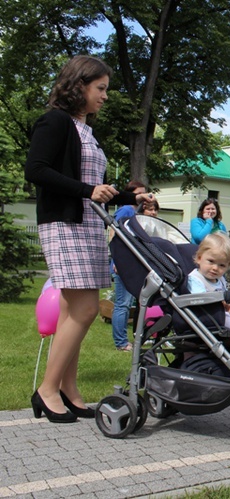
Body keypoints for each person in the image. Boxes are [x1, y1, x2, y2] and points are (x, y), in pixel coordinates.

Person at [25, 55, 154, 423]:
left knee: (71, 311)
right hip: (65, 225)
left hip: (86, 223)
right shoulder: (55, 121)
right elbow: (36, 169)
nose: (105, 96)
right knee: (84, 310)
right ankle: (47, 390)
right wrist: (87, 190)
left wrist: (132, 198)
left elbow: (96, 189)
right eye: (100, 89)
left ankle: (67, 388)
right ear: (78, 86)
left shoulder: (84, 129)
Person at [111, 181, 147, 352]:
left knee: (129, 302)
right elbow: (114, 233)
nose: (142, 196)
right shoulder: (126, 210)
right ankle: (121, 342)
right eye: (139, 193)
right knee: (123, 303)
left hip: (131, 264)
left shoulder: (135, 212)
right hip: (123, 263)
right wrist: (118, 260)